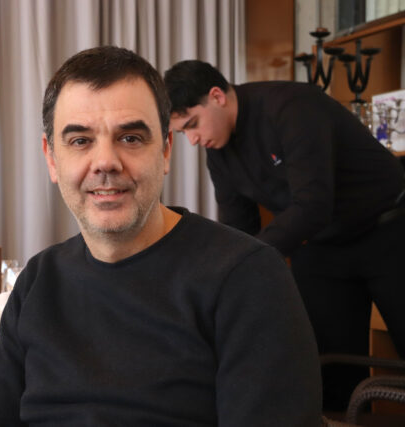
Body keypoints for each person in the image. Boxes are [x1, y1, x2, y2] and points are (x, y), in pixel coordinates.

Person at [0, 46, 321, 426]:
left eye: (130, 138)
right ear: (51, 158)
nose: (106, 162)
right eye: (80, 141)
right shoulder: (39, 279)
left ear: (165, 151)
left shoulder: (246, 278)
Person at [164, 59, 405, 410]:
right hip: (321, 246)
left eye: (192, 125)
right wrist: (222, 273)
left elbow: (313, 204)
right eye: (183, 133)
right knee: (329, 368)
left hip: (387, 230)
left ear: (217, 96)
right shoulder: (218, 152)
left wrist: (247, 258)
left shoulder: (291, 107)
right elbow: (238, 227)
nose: (193, 139)